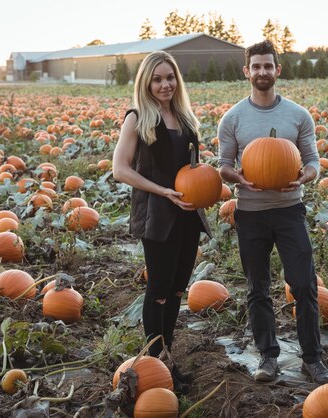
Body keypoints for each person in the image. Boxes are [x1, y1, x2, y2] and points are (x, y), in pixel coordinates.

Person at [218, 40, 328, 384]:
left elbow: (313, 161)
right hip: (250, 213)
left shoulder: (298, 116)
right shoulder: (233, 118)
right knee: (257, 287)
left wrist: (305, 175)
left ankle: (312, 360)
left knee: (303, 284)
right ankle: (268, 358)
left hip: (289, 211)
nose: (262, 72)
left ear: (277, 70)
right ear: (247, 71)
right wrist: (237, 176)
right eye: (256, 66)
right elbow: (224, 165)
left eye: (268, 66)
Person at [113, 51, 211, 393]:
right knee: (157, 292)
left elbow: (190, 167)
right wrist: (163, 191)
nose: (165, 84)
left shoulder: (183, 117)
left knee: (176, 289)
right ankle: (155, 363)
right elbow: (120, 168)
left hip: (187, 213)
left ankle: (166, 357)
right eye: (157, 79)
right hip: (158, 214)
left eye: (170, 77)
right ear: (146, 83)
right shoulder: (137, 118)